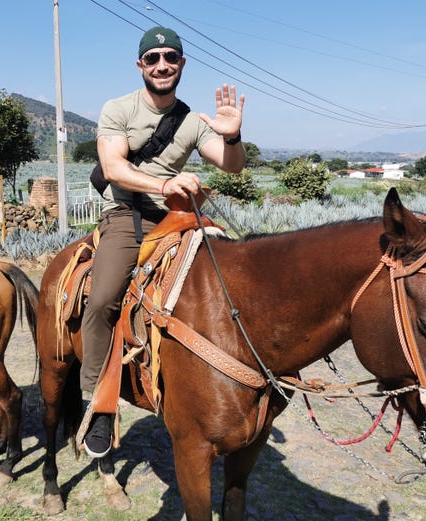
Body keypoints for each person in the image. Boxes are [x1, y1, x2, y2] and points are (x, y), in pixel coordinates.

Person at [81, 26, 246, 457]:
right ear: (140, 65)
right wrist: (165, 182)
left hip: (177, 217)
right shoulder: (118, 109)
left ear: (181, 64)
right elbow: (114, 168)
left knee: (229, 281)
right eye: (152, 58)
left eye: (169, 57)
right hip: (127, 216)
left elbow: (232, 166)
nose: (161, 65)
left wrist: (231, 134)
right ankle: (99, 401)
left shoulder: (192, 121)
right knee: (102, 300)